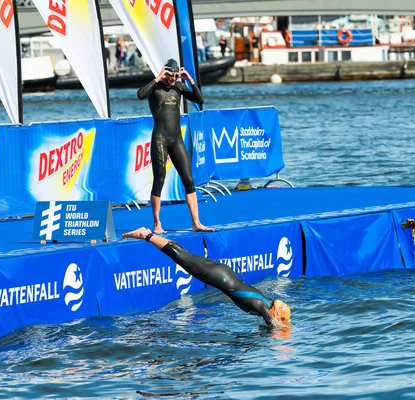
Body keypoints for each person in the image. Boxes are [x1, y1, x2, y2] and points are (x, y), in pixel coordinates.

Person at [122, 227, 291, 326]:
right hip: (218, 277)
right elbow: (273, 327)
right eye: (280, 319)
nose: (279, 321)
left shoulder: (267, 301)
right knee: (180, 256)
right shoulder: (263, 307)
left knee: (184, 255)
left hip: (223, 274)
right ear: (275, 312)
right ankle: (146, 235)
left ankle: (148, 235)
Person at [137, 59, 213, 233]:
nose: (172, 79)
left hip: (176, 139)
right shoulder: (155, 87)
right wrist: (157, 78)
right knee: (160, 180)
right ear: (164, 73)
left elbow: (200, 99)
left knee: (189, 180)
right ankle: (157, 223)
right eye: (170, 76)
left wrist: (190, 80)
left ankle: (196, 223)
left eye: (176, 76)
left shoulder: (179, 86)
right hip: (160, 139)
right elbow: (140, 95)